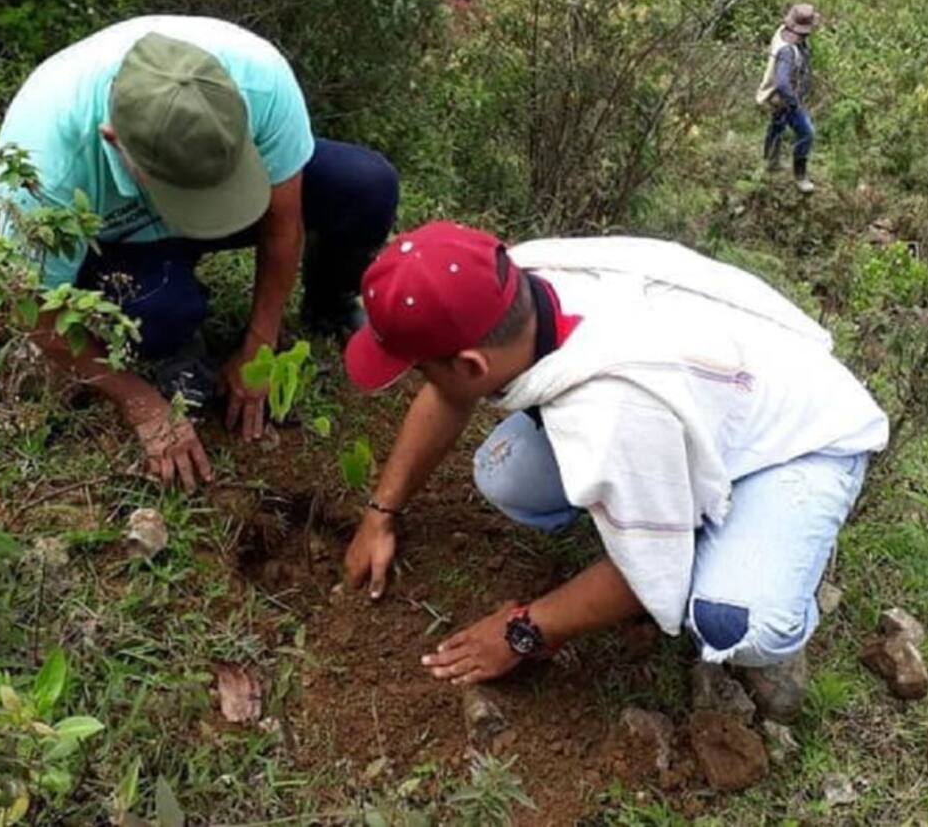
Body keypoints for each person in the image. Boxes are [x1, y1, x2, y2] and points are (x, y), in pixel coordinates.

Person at [341, 222, 888, 713]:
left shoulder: (613, 414)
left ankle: (763, 548)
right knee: (505, 473)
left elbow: (644, 571)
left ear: (470, 365)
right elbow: (450, 391)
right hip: (717, 388)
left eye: (419, 370)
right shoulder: (514, 286)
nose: (419, 382)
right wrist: (380, 513)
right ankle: (675, 504)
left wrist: (524, 632)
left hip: (795, 441)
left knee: (736, 626)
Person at [0, 15, 399, 491]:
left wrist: (261, 341)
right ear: (113, 139)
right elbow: (32, 308)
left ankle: (328, 305)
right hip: (121, 239)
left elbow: (281, 225)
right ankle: (172, 335)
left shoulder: (260, 81)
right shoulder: (46, 166)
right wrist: (137, 400)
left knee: (366, 186)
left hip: (210, 190)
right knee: (160, 309)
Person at [755, 3, 820, 193]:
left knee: (777, 126)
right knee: (807, 133)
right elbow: (783, 82)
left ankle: (770, 162)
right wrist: (795, 103)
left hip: (775, 97)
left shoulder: (782, 34)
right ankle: (800, 175)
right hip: (784, 99)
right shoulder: (788, 51)